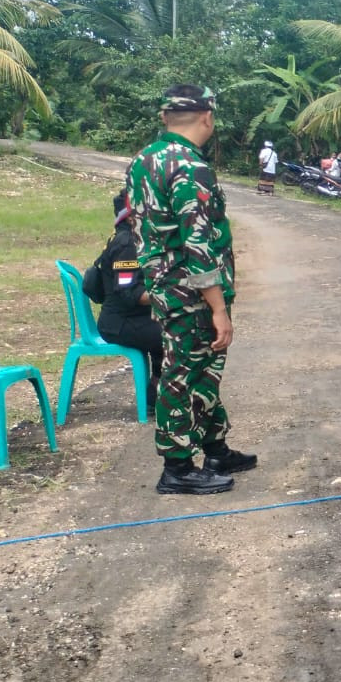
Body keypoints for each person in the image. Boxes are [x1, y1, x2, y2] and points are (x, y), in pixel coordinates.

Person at [126, 83, 256, 495]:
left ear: (165, 117)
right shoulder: (190, 166)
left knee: (203, 369)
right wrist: (217, 307)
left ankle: (215, 447)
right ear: (207, 117)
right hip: (191, 294)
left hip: (164, 286)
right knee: (184, 373)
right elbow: (198, 244)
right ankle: (178, 466)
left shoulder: (144, 160)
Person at [89, 189, 164, 412]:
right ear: (131, 216)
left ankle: (157, 393)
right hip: (119, 324)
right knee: (177, 331)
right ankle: (163, 395)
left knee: (170, 324)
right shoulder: (127, 244)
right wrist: (170, 296)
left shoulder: (131, 238)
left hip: (129, 318)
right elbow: (130, 293)